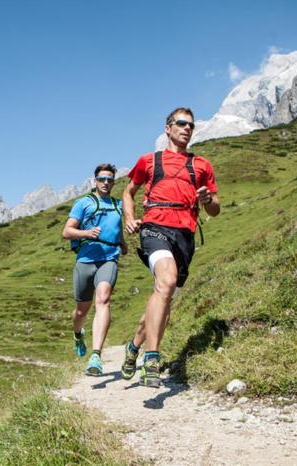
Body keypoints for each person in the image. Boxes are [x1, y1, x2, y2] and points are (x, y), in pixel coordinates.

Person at [121, 107, 220, 387]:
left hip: (185, 235)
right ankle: (151, 358)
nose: (187, 128)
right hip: (155, 228)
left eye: (191, 125)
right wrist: (129, 218)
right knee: (166, 281)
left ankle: (134, 346)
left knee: (164, 298)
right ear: (168, 128)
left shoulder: (202, 165)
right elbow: (128, 193)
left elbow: (215, 209)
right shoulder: (148, 161)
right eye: (181, 123)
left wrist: (207, 200)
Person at [62, 163, 126, 376]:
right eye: (102, 179)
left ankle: (96, 355)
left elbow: (116, 227)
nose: (106, 183)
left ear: (113, 182)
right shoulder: (83, 203)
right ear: (95, 181)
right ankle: (77, 333)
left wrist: (122, 243)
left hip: (109, 259)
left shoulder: (118, 205)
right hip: (86, 260)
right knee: (81, 310)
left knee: (103, 299)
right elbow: (67, 231)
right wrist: (86, 233)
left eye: (109, 179)